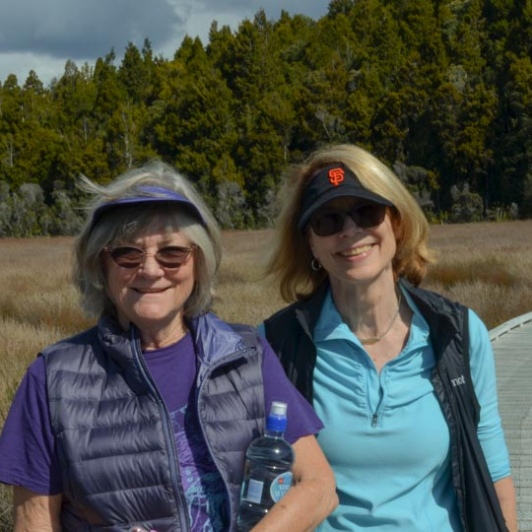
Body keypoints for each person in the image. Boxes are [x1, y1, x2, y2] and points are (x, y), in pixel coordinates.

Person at [0, 160, 338, 531]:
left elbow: (319, 487)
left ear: (199, 261)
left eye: (171, 253)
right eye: (127, 253)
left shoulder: (246, 356)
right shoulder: (52, 379)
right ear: (102, 265)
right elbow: (34, 523)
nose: (150, 269)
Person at [260, 144, 518, 531]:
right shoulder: (278, 344)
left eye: (367, 212)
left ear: (396, 222)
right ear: (309, 242)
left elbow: (494, 473)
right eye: (327, 221)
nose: (350, 231)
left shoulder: (456, 334)